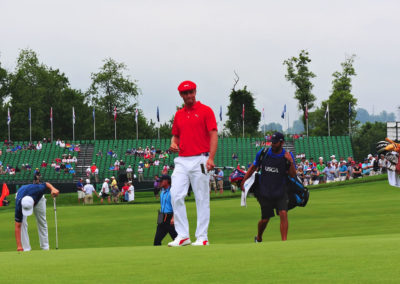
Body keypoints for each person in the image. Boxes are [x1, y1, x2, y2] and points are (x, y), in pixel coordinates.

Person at [168, 80, 218, 247]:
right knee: (175, 194)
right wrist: (173, 143)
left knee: (202, 197)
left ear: (195, 92)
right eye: (185, 93)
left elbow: (213, 134)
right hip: (182, 159)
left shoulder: (206, 111)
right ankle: (183, 235)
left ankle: (202, 237)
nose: (189, 95)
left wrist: (211, 158)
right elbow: (175, 135)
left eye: (191, 92)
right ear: (181, 95)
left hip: (201, 159)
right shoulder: (179, 114)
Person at [241, 132, 296, 242]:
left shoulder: (287, 156)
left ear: (282, 143)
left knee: (283, 213)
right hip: (265, 191)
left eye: (275, 143)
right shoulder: (263, 153)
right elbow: (253, 168)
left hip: (280, 190)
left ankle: (284, 243)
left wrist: (290, 161)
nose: (272, 144)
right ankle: (259, 237)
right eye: (272, 142)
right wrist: (244, 181)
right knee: (265, 219)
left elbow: (292, 174)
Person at [14, 181, 60, 251]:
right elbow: (17, 226)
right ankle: (26, 249)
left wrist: (53, 189)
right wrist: (19, 246)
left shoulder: (39, 189)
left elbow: (46, 184)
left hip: (39, 199)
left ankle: (45, 247)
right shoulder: (19, 204)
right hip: (22, 196)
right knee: (22, 223)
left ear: (33, 203)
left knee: (42, 221)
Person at [154, 175, 178, 246]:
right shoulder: (162, 192)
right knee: (156, 241)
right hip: (161, 216)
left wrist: (173, 218)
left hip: (170, 218)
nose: (160, 182)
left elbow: (176, 206)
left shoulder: (172, 192)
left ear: (167, 181)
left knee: (177, 239)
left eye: (161, 181)